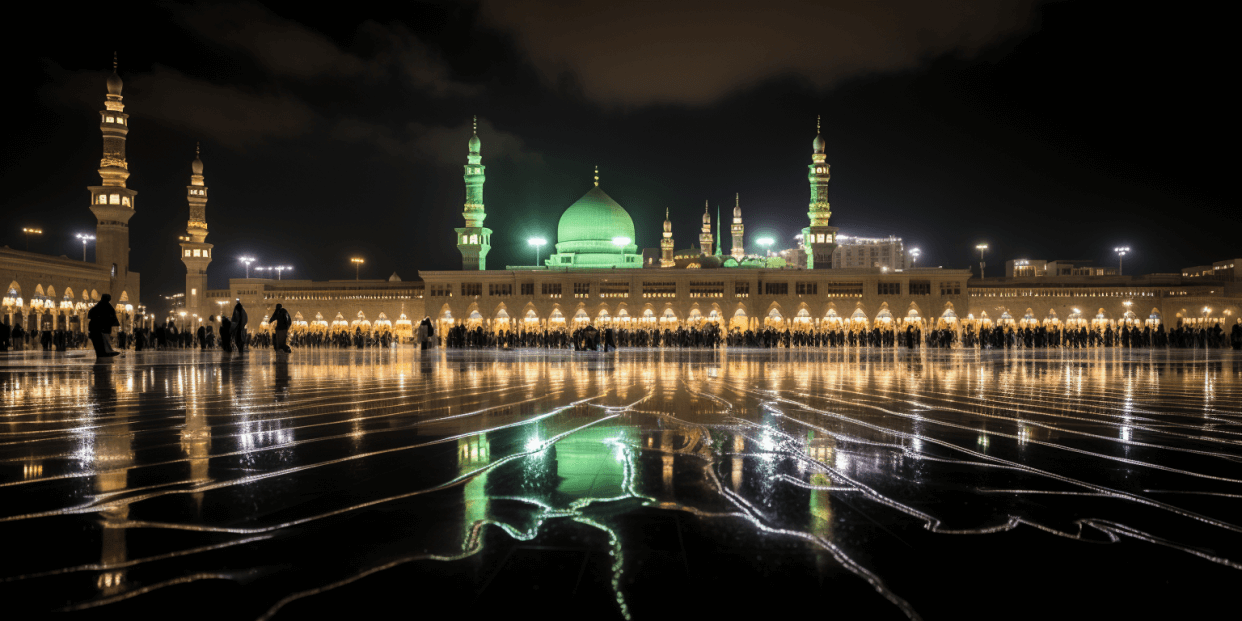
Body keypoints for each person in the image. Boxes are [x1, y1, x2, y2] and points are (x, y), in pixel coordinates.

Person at [87, 294, 121, 358]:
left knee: (99, 344)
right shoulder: (107, 307)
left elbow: (90, 315)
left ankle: (102, 353)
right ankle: (103, 353)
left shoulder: (97, 306)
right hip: (99, 329)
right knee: (100, 343)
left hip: (95, 328)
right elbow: (112, 318)